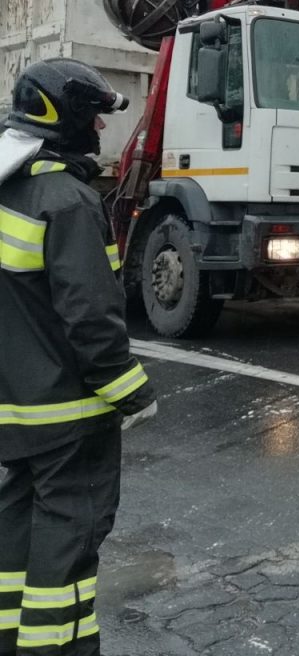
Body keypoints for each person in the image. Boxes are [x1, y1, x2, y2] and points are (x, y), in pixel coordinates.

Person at [0, 58, 157, 656]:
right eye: (91, 116)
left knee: (18, 523)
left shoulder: (10, 190)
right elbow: (90, 315)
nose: (98, 130)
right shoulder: (66, 201)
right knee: (72, 530)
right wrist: (132, 393)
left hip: (16, 408)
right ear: (62, 118)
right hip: (68, 414)